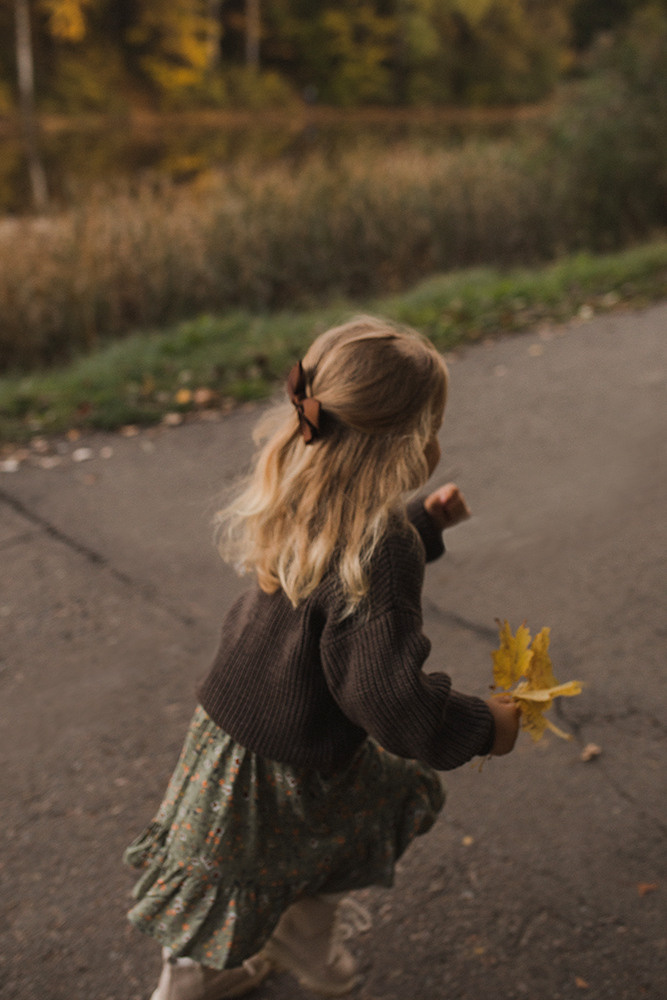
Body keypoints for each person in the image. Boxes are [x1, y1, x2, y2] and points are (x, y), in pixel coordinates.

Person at [123, 316, 521, 1000]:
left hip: (232, 733)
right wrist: (483, 725)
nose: (434, 441)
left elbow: (333, 584)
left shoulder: (301, 483)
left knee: (237, 864)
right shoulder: (380, 546)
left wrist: (423, 522)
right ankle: (213, 976)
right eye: (429, 426)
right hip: (294, 762)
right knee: (290, 856)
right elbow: (389, 699)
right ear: (405, 447)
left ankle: (244, 958)